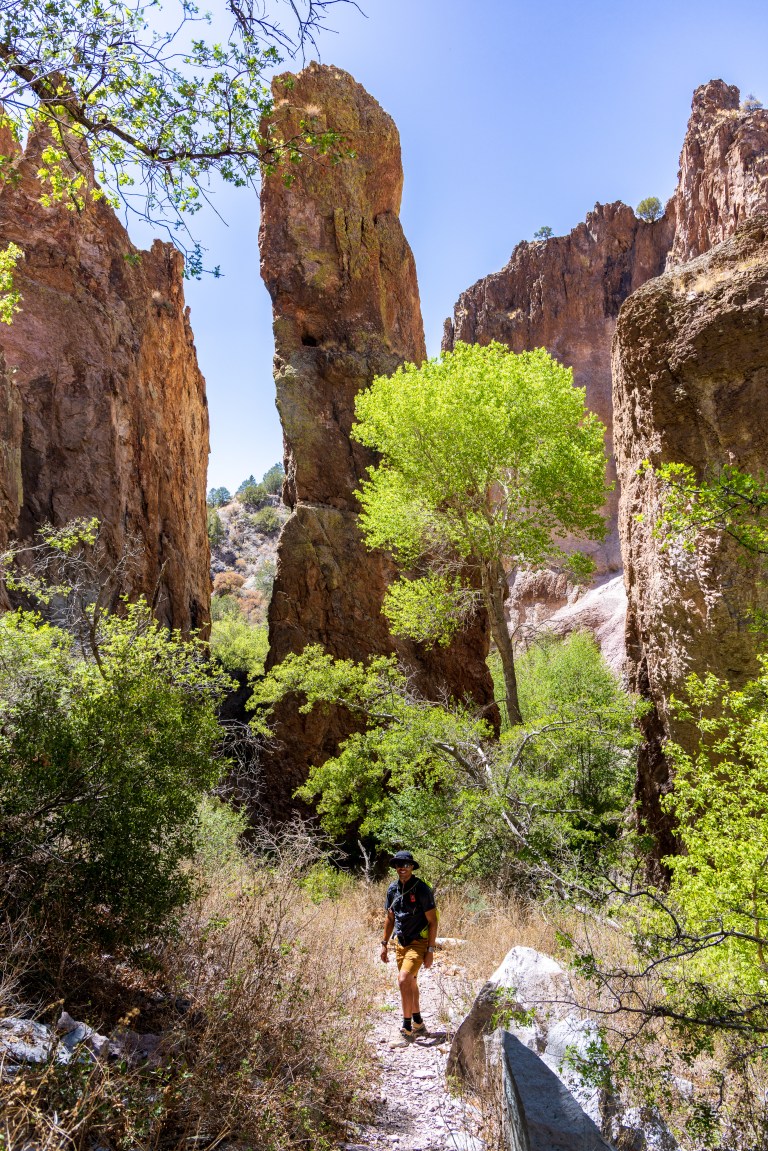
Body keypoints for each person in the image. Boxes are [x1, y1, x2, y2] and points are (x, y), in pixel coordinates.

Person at [380, 850, 438, 1039]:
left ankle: (406, 1030)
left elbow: (433, 921)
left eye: (406, 864)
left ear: (412, 867)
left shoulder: (421, 889)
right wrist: (384, 944)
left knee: (404, 979)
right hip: (401, 943)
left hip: (418, 943)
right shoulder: (392, 890)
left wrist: (430, 950)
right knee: (410, 982)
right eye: (398, 864)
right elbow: (390, 918)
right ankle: (418, 1023)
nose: (402, 868)